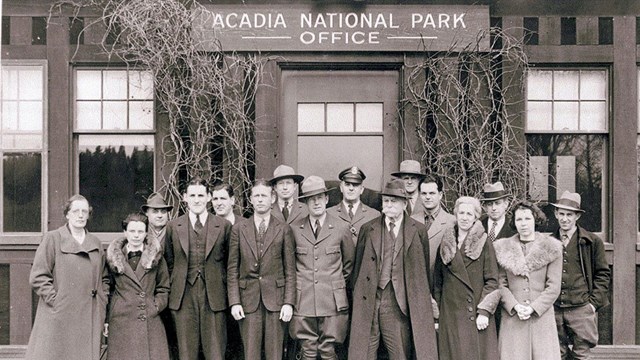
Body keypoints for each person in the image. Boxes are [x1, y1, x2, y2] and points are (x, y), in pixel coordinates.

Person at [349, 179, 437, 360]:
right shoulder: (368, 228)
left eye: (393, 201)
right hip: (370, 300)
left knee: (399, 352)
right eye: (386, 201)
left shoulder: (418, 230)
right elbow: (357, 269)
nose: (388, 205)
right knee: (364, 352)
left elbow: (422, 272)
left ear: (404, 203)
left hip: (399, 303)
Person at [26, 195, 108, 360]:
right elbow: (38, 276)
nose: (80, 215)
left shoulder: (95, 242)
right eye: (76, 211)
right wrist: (57, 300)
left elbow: (104, 278)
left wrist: (102, 302)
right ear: (67, 214)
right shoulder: (53, 238)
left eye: (84, 211)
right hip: (60, 315)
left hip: (88, 315)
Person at [227, 179, 296, 360]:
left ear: (272, 198)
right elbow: (232, 269)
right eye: (256, 196)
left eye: (264, 195)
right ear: (250, 199)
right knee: (251, 354)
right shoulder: (239, 229)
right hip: (248, 301)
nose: (260, 200)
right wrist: (234, 302)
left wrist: (288, 302)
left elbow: (290, 270)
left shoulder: (283, 229)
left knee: (275, 354)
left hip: (276, 302)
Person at [164, 177, 232, 360]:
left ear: (209, 197)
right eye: (192, 195)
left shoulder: (223, 226)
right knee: (186, 353)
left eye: (201, 195)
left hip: (214, 297)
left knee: (215, 352)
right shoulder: (173, 227)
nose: (197, 199)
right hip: (183, 296)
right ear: (184, 197)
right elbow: (170, 262)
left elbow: (229, 264)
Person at [289, 175, 355, 360]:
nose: (316, 202)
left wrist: (334, 284)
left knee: (328, 351)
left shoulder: (342, 227)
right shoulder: (294, 229)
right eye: (311, 199)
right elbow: (291, 264)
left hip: (333, 302)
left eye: (319, 197)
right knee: (307, 351)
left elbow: (348, 265)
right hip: (304, 301)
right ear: (306, 203)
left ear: (326, 199)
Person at [493, 201, 562, 360]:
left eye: (527, 219)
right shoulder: (502, 248)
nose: (523, 224)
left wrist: (533, 308)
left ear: (535, 220)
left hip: (541, 319)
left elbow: (553, 287)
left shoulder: (551, 247)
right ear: (514, 222)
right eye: (519, 220)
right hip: (513, 318)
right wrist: (515, 306)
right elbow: (500, 284)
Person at [433, 196, 500, 360]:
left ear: (476, 217)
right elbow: (437, 283)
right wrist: (437, 316)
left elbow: (492, 281)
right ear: (455, 214)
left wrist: (484, 312)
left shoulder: (484, 243)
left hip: (476, 315)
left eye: (469, 214)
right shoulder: (446, 243)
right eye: (461, 213)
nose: (464, 217)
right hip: (450, 316)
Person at [551, 191, 611, 360]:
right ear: (556, 214)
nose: (564, 219)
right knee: (556, 353)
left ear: (577, 216)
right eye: (561, 214)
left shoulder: (591, 241)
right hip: (554, 309)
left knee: (581, 355)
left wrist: (592, 305)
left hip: (581, 309)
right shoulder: (549, 241)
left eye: (569, 215)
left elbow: (603, 274)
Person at [105, 213, 170, 360]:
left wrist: (155, 306)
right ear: (125, 232)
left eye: (140, 231)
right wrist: (108, 317)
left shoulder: (156, 257)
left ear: (146, 233)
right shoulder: (113, 258)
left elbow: (164, 287)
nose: (136, 235)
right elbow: (108, 288)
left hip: (149, 318)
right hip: (121, 321)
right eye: (132, 231)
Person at [141, 192, 178, 360]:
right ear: (147, 213)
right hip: (148, 296)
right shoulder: (140, 235)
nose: (160, 215)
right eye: (155, 211)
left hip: (174, 294)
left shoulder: (176, 232)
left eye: (163, 211)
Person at [410, 174, 456, 274]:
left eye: (432, 193)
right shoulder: (411, 221)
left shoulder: (452, 222)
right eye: (424, 193)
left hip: (440, 283)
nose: (427, 197)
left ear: (440, 195)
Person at [327, 166, 381, 245]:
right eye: (347, 184)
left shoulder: (374, 215)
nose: (351, 188)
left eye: (355, 185)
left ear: (362, 189)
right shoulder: (329, 214)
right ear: (341, 188)